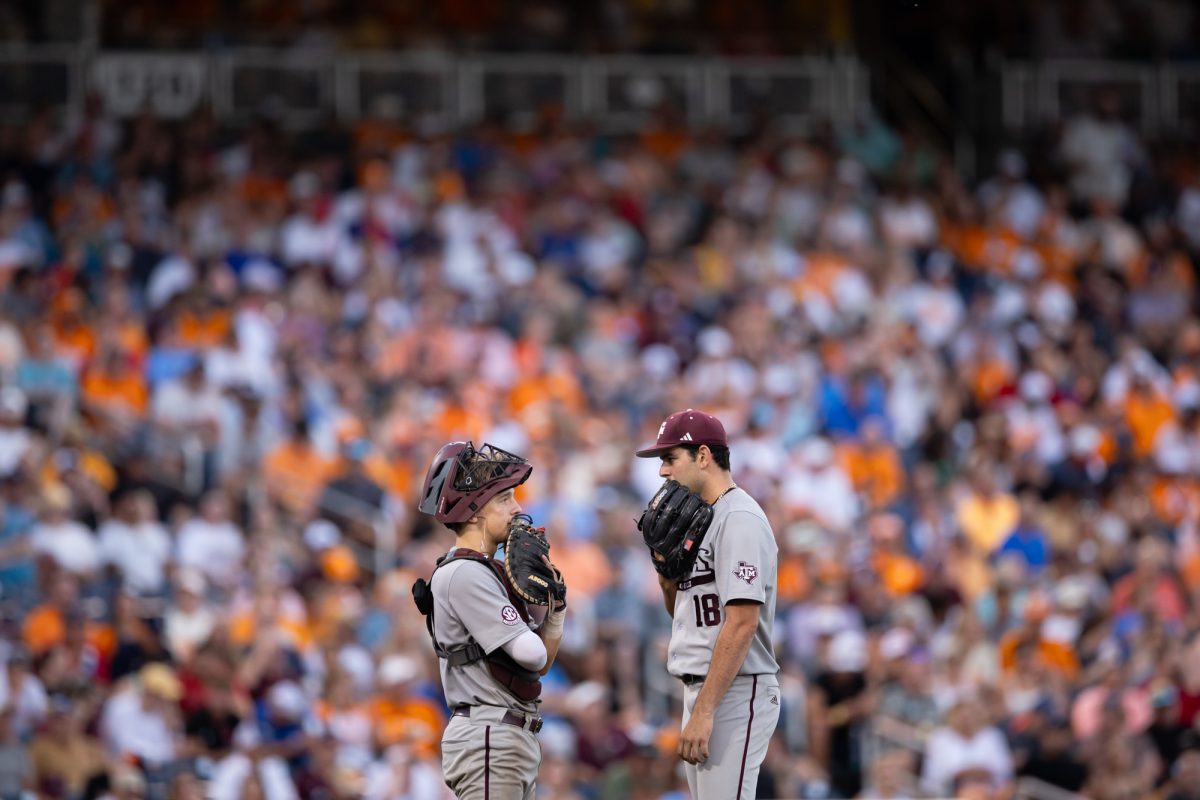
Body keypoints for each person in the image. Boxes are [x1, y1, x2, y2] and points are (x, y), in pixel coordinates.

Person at [635, 409, 781, 799]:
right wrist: (666, 575)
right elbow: (688, 615)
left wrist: (705, 711)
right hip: (706, 688)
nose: (663, 471)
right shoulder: (697, 520)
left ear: (703, 456)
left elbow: (742, 623)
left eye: (670, 459)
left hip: (735, 690)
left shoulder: (740, 518)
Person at [414, 441, 567, 800]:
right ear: (473, 511)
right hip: (489, 735)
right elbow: (532, 654)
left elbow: (537, 665)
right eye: (504, 499)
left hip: (504, 735)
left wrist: (555, 610)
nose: (516, 509)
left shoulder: (485, 570)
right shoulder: (465, 572)